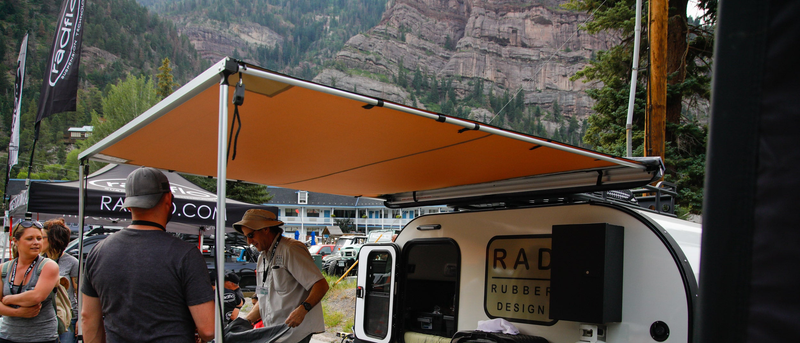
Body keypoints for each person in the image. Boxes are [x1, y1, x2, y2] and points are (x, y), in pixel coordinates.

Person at [81, 167, 215, 343]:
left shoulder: (98, 251)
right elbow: (208, 329)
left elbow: (88, 318)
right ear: (168, 199)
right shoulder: (186, 255)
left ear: (128, 204)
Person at [236, 209, 329, 343]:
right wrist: (247, 320)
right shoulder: (262, 257)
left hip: (294, 332)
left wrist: (303, 309)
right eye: (246, 237)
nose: (249, 241)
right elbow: (264, 295)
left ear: (266, 229)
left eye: (251, 235)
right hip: (274, 332)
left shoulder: (291, 249)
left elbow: (321, 285)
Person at [0, 220, 60, 343]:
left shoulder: (48, 266)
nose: (36, 243)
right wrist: (18, 312)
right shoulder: (4, 269)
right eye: (30, 239)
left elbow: (36, 296)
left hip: (42, 338)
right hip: (7, 336)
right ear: (15, 241)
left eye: (39, 238)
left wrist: (7, 299)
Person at [42, 218, 80, 343]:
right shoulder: (37, 261)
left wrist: (81, 319)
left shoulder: (72, 262)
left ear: (53, 240)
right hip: (43, 318)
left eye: (42, 238)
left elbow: (79, 292)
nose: (38, 241)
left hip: (67, 318)